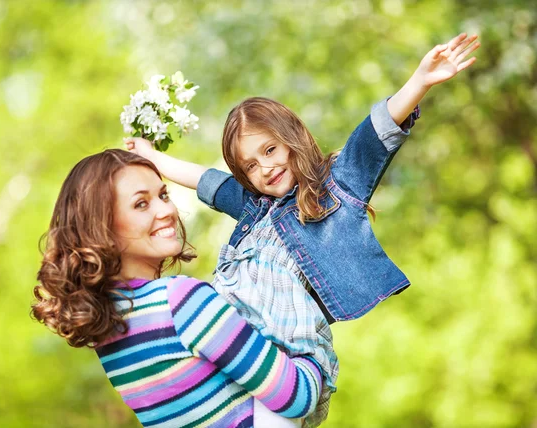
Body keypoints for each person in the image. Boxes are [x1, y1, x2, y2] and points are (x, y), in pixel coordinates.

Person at [125, 33, 481, 426]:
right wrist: (149, 157)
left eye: (270, 150)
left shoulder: (335, 188)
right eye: (250, 166)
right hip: (240, 349)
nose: (265, 168)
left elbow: (372, 136)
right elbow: (205, 180)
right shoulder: (252, 206)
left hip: (287, 356)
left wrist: (420, 81)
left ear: (291, 138)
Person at [30, 149, 324, 428]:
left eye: (163, 195)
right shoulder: (180, 302)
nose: (166, 210)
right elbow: (296, 397)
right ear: (102, 227)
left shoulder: (107, 327)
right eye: (141, 204)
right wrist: (309, 347)